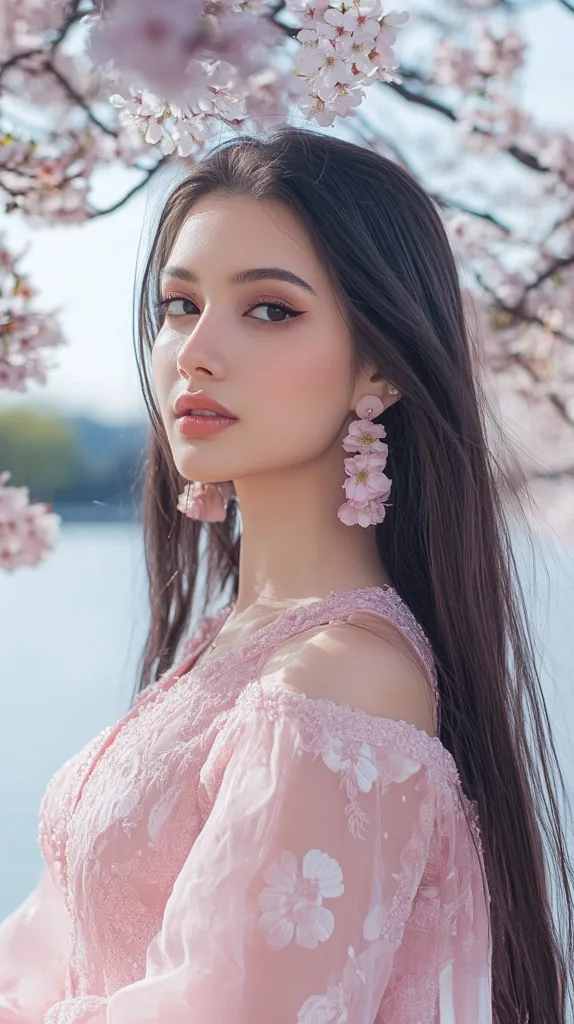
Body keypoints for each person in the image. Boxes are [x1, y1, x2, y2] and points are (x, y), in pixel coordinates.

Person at [0, 126, 572, 1024]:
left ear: (377, 362)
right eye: (179, 305)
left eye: (269, 309)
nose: (195, 350)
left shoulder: (338, 681)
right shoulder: (238, 641)